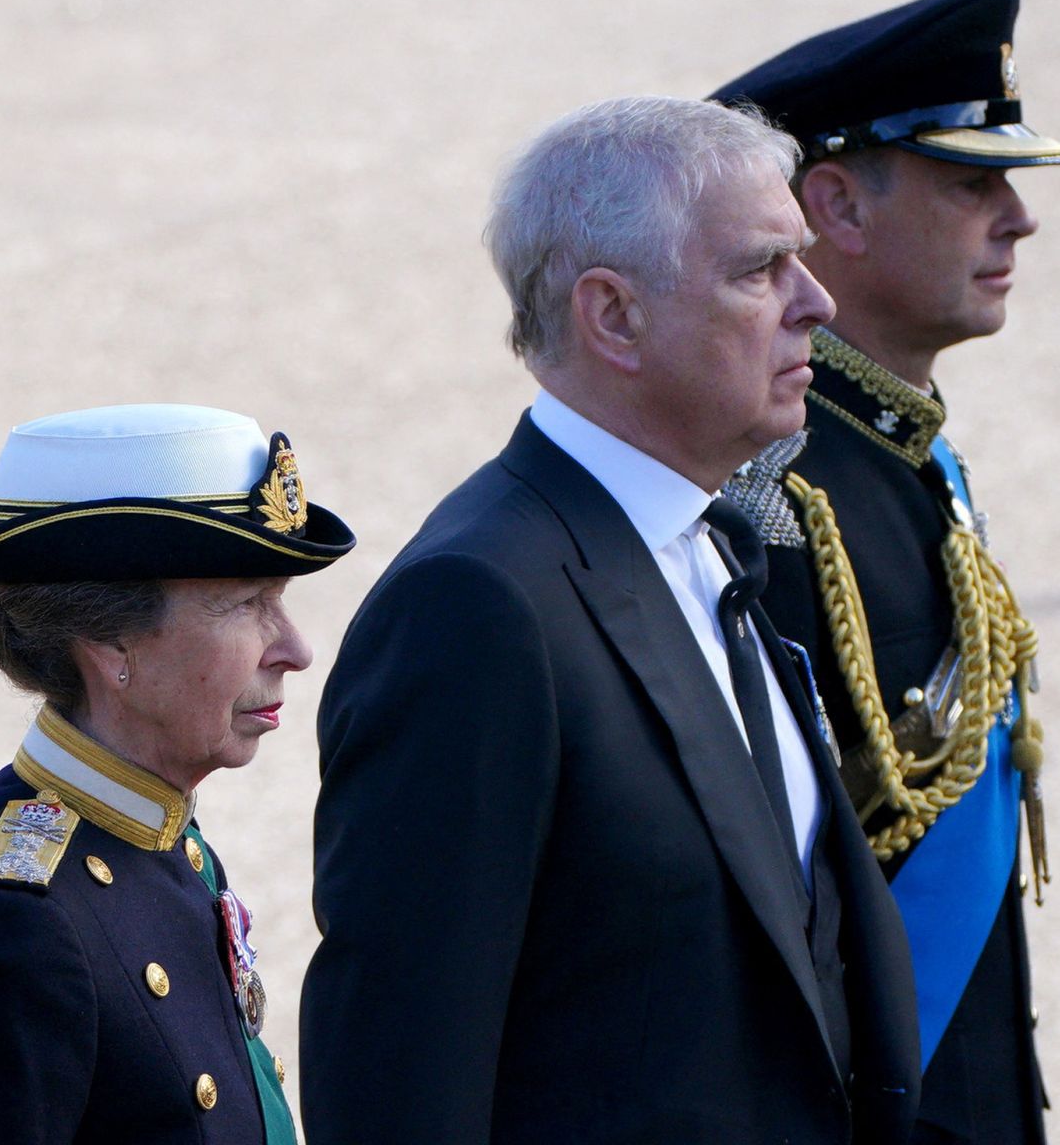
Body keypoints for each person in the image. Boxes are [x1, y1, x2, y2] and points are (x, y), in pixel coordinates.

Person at [300, 96, 921, 1144]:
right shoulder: (478, 607)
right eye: (760, 269)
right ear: (614, 316)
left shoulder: (710, 539)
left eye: (802, 262)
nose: (815, 302)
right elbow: (401, 1070)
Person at [711, 0, 1060, 1140]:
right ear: (834, 207)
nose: (1016, 219)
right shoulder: (768, 502)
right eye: (968, 183)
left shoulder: (908, 457)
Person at [0, 403, 355, 1145]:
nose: (295, 649)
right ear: (109, 641)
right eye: (247, 603)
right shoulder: (4, 937)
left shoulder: (156, 831)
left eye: (278, 600)